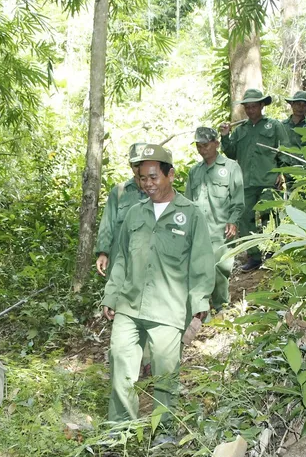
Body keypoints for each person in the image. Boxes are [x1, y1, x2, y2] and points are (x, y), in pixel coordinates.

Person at [101, 144, 215, 422]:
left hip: (168, 308)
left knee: (165, 372)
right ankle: (121, 429)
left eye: (153, 177)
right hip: (129, 303)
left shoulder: (191, 214)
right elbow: (122, 260)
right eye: (142, 178)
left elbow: (201, 262)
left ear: (170, 175)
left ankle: (164, 429)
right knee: (120, 360)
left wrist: (199, 306)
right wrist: (111, 295)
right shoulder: (134, 214)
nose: (147, 184)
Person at [220, 88, 290, 271]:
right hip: (246, 182)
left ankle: (273, 253)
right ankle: (254, 256)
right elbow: (231, 153)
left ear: (261, 106)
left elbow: (285, 151)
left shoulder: (274, 126)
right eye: (247, 107)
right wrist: (225, 136)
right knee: (245, 218)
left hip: (269, 180)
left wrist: (281, 172)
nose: (250, 110)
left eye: (254, 107)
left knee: (271, 216)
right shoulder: (240, 130)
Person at [186, 127, 245, 311]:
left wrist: (233, 220)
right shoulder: (194, 172)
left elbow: (238, 200)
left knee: (220, 271)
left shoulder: (230, 168)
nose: (202, 149)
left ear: (216, 144)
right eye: (198, 146)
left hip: (221, 230)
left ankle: (222, 307)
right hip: (199, 231)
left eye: (205, 145)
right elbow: (188, 203)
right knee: (199, 271)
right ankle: (201, 310)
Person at [95, 142, 148, 277]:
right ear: (130, 165)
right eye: (136, 165)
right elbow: (107, 224)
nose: (140, 169)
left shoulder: (158, 191)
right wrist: (103, 253)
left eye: (144, 164)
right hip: (121, 260)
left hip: (148, 261)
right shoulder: (119, 192)